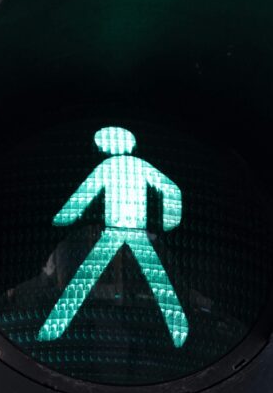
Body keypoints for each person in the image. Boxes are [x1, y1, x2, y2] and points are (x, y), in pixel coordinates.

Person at [38, 126, 188, 347]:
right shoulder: (140, 166)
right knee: (158, 281)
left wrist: (62, 219)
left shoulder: (108, 167)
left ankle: (53, 328)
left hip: (117, 231)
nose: (102, 146)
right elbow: (171, 190)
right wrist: (170, 220)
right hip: (135, 231)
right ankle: (178, 330)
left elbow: (83, 196)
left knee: (83, 279)